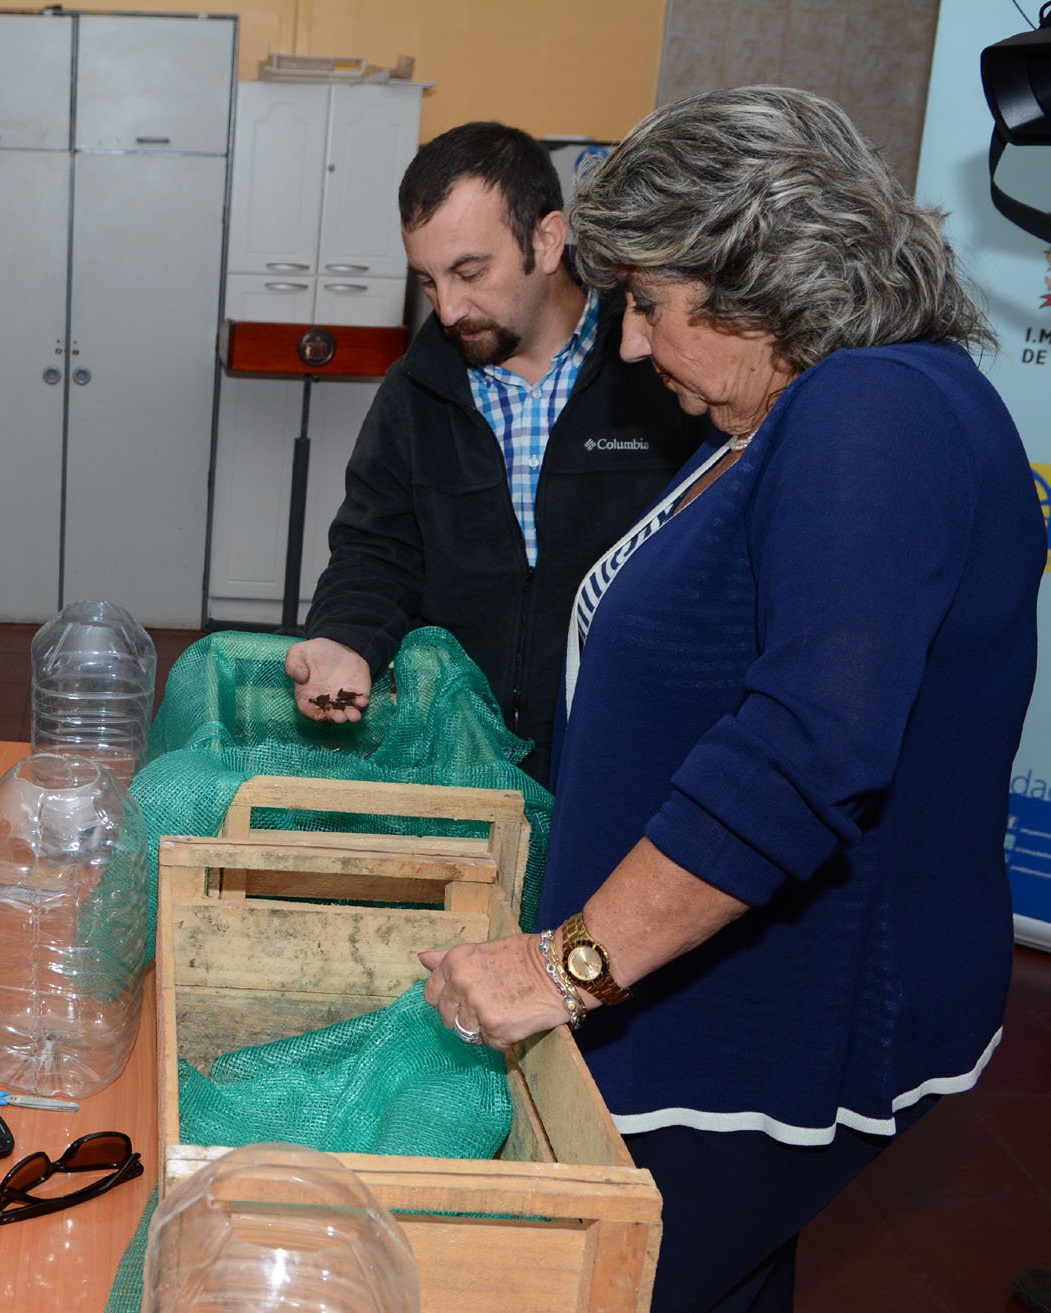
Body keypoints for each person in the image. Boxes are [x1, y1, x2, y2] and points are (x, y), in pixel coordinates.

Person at [419, 88, 1039, 1313]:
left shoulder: (875, 412)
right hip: (711, 993)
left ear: (759, 272)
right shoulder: (811, 405)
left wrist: (570, 964)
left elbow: (809, 743)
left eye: (649, 304)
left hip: (778, 1017)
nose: (635, 346)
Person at [286, 121, 706, 784]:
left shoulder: (659, 373)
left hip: (622, 749)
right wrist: (345, 639)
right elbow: (376, 545)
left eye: (469, 272)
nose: (448, 311)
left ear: (546, 239)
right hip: (461, 751)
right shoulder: (416, 389)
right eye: (426, 281)